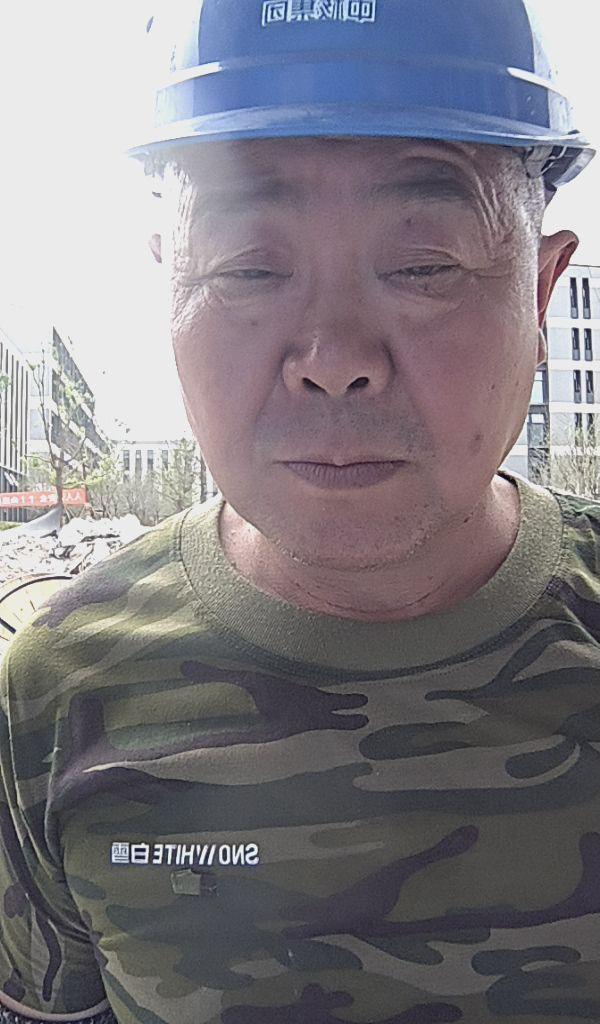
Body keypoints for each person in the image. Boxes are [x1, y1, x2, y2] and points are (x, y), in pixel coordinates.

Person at [1, 1, 599, 1021]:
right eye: (248, 269)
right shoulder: (56, 698)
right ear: (169, 288)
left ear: (540, 293)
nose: (334, 359)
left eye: (424, 266)